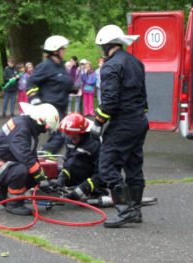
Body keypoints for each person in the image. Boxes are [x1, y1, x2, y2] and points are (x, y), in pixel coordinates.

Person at [92, 24, 149, 228]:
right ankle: (136, 210)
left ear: (106, 46)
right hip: (139, 121)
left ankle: (125, 210)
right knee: (134, 165)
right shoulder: (136, 62)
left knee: (107, 165)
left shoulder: (110, 66)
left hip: (123, 122)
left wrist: (98, 122)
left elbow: (110, 101)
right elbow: (143, 96)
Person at [0, 102, 59, 215]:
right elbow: (25, 157)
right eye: (46, 127)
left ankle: (2, 195)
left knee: (34, 173)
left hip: (3, 164)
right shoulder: (21, 129)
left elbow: (32, 157)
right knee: (21, 170)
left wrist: (43, 178)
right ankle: (14, 203)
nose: (46, 131)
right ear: (40, 120)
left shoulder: (27, 127)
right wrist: (41, 179)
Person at [26, 35, 74, 154]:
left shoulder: (61, 66)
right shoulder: (45, 66)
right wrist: (34, 99)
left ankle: (47, 161)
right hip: (51, 109)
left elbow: (61, 82)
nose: (65, 51)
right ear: (55, 51)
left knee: (64, 137)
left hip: (62, 108)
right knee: (60, 136)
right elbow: (30, 82)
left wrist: (72, 89)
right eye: (63, 49)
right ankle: (42, 157)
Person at [56, 113, 106, 200]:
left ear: (81, 133)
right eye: (67, 134)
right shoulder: (70, 137)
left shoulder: (94, 143)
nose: (70, 137)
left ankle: (97, 191)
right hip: (81, 170)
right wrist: (63, 176)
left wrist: (84, 188)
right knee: (55, 171)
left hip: (94, 176)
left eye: (73, 136)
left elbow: (102, 172)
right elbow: (68, 161)